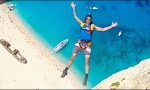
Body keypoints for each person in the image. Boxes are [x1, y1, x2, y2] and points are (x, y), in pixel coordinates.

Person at [61, 2, 118, 86]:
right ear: (85, 19)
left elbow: (102, 29)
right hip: (80, 43)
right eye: (87, 18)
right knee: (72, 57)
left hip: (87, 44)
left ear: (91, 20)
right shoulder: (82, 24)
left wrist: (111, 26)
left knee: (87, 61)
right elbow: (76, 16)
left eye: (89, 19)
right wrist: (73, 7)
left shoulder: (92, 27)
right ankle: (65, 70)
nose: (88, 20)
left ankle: (86, 77)